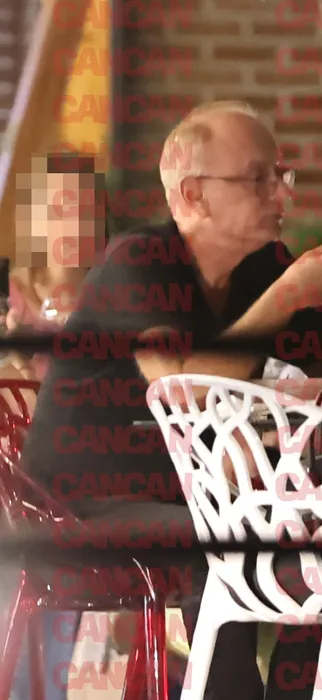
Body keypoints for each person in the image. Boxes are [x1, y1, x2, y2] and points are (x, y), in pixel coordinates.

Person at [19, 101, 322, 700]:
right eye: (259, 178)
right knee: (229, 544)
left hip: (197, 494)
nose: (283, 193)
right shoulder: (140, 261)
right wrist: (285, 297)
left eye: (282, 175)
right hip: (78, 510)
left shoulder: (262, 268)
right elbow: (182, 389)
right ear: (195, 195)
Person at [3, 152, 105, 700]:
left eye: (85, 209)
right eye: (60, 208)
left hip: (79, 469)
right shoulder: (13, 291)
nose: (73, 222)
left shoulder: (111, 295)